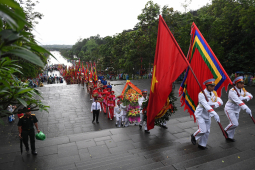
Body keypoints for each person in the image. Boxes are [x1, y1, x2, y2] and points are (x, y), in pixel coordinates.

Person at [191, 79, 223, 150]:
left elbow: (220, 101)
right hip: (200, 114)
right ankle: (194, 136)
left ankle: (202, 145)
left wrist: (213, 103)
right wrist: (215, 114)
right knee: (202, 130)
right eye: (211, 86)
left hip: (208, 114)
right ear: (207, 86)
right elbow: (206, 106)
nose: (213, 87)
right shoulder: (201, 94)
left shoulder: (214, 93)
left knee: (207, 131)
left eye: (213, 86)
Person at [224, 76, 253, 142]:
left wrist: (243, 98)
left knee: (234, 125)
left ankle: (230, 137)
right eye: (241, 83)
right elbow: (238, 101)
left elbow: (251, 95)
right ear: (236, 84)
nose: (243, 84)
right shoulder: (232, 91)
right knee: (234, 124)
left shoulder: (243, 90)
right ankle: (225, 130)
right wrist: (246, 108)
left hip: (237, 109)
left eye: (243, 83)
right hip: (230, 108)